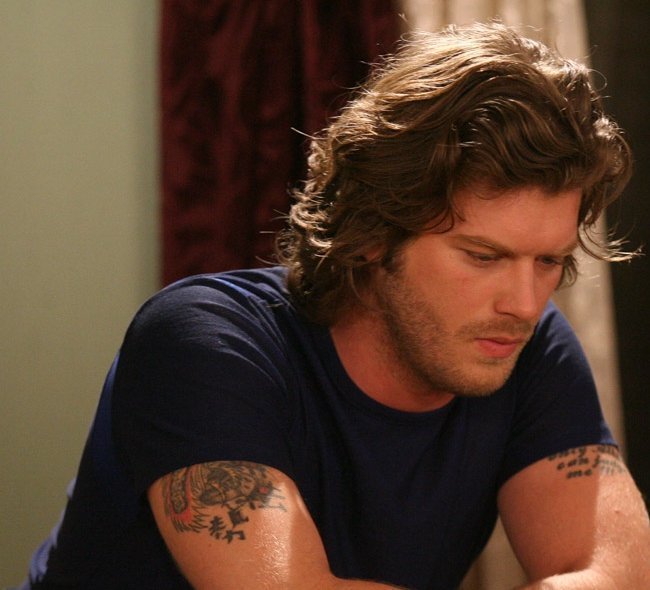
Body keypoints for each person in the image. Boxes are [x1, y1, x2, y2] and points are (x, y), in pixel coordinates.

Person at [22, 21, 650, 590]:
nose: (524, 303)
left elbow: (617, 575)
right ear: (374, 234)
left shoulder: (526, 344)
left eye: (547, 262)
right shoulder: (204, 340)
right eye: (483, 256)